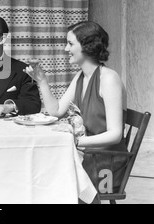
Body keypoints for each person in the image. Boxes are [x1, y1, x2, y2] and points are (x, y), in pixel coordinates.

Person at [25, 20, 128, 201]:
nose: (66, 49)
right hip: (89, 155)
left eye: (70, 44)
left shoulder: (109, 79)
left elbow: (115, 135)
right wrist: (41, 81)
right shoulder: (81, 76)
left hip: (106, 163)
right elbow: (56, 110)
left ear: (88, 46)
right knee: (40, 171)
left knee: (52, 177)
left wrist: (76, 140)